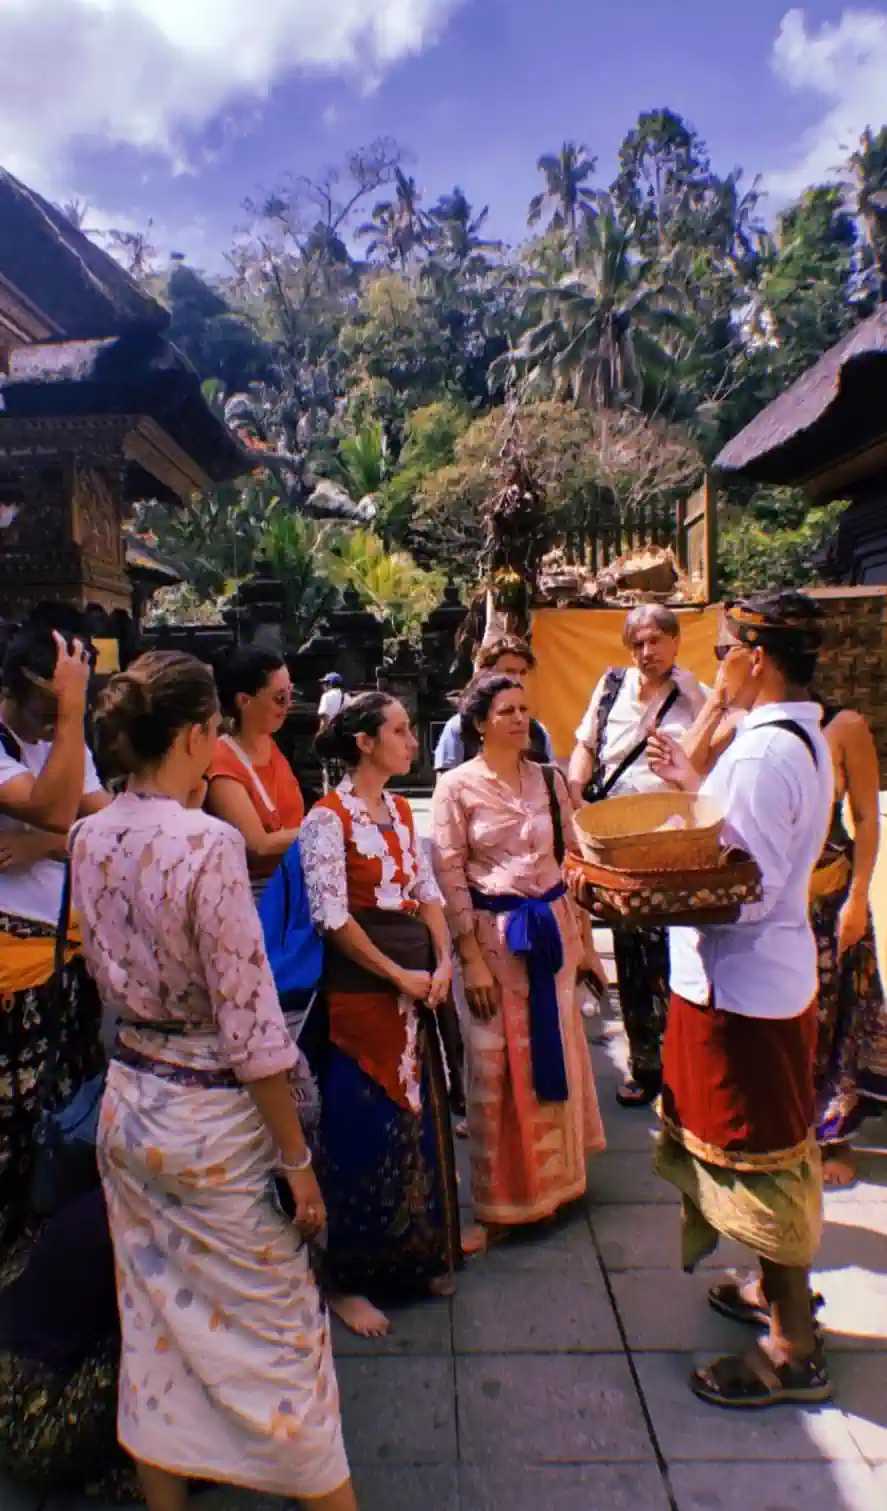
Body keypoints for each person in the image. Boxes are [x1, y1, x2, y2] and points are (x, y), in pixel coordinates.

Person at [71, 651, 355, 1511]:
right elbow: (251, 1025)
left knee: (153, 1325)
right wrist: (297, 1160)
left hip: (131, 1103)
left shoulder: (90, 833)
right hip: (212, 1120)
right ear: (199, 733)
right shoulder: (206, 842)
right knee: (282, 1334)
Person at [648, 590, 834, 1409]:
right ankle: (772, 1290)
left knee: (762, 1158)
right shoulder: (798, 735)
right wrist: (695, 783)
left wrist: (654, 891)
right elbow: (747, 840)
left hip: (741, 990)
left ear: (756, 658)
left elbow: (745, 889)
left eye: (722, 648)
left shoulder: (761, 753)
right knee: (769, 1144)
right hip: (763, 981)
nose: (715, 662)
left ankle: (792, 1348)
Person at [683, 663, 887, 1188]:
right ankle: (787, 1130)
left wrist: (859, 896)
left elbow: (867, 817)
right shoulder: (747, 731)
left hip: (829, 896)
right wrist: (717, 704)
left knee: (834, 1016)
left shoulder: (842, 728)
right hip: (772, 908)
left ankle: (832, 1136)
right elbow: (688, 773)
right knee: (786, 1023)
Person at [299, 694, 459, 1340]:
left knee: (416, 1121)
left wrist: (444, 959)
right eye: (399, 730)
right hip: (364, 995)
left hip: (417, 987)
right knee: (360, 1129)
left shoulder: (398, 810)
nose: (411, 741)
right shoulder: (325, 820)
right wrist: (397, 974)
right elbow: (332, 918)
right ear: (365, 742)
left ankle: (416, 1254)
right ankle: (344, 1279)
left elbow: (426, 890)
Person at [432, 673, 606, 1256]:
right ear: (480, 722)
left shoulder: (550, 779)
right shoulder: (456, 787)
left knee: (556, 1047)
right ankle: (500, 1204)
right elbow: (449, 873)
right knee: (496, 1066)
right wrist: (470, 959)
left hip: (553, 933)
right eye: (505, 710)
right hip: (493, 940)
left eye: (523, 708)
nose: (518, 718)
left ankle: (561, 1184)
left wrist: (585, 943)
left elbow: (573, 858)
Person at [567, 604, 707, 1106]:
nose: (647, 652)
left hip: (673, 844)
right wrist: (577, 792)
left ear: (676, 641)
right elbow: (586, 745)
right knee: (629, 956)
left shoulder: (697, 696)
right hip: (618, 841)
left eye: (656, 641)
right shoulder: (610, 687)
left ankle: (683, 1067)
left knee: (677, 955)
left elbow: (712, 758)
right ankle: (645, 1065)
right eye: (638, 644)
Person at [0, 625, 110, 1251]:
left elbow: (100, 821)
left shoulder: (67, 742)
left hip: (65, 954)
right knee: (13, 1119)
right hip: (13, 970)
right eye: (46, 711)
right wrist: (70, 714)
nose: (53, 726)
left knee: (67, 1107)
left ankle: (51, 1244)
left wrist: (42, 844)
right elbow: (54, 807)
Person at [0, 1188, 137, 1502]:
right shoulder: (124, 1227)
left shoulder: (101, 1201)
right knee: (155, 1347)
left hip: (17, 1354)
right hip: (30, 1421)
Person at [205, 646, 304, 897]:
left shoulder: (271, 745)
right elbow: (258, 846)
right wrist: (326, 827)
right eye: (279, 698)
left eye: (291, 694)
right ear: (244, 701)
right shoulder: (222, 760)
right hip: (256, 895)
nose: (288, 705)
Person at [433, 636, 554, 775]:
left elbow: (551, 782)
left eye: (523, 673)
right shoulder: (458, 728)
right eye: (509, 672)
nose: (517, 680)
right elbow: (446, 784)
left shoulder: (538, 732)